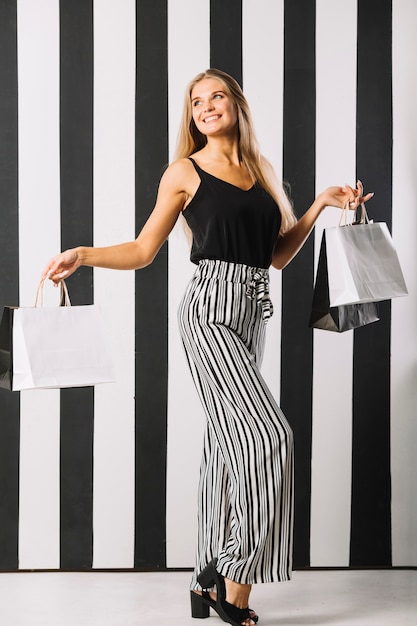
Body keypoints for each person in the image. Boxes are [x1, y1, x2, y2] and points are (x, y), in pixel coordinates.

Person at [43, 69, 373, 626]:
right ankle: (234, 587)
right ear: (191, 115)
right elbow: (145, 249)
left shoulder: (260, 171)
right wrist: (84, 252)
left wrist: (316, 206)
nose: (206, 107)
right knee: (269, 436)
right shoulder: (184, 172)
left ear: (236, 103)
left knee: (227, 448)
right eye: (196, 101)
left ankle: (204, 573)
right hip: (210, 311)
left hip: (253, 311)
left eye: (216, 95)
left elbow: (274, 255)